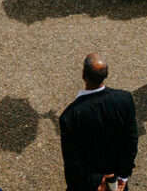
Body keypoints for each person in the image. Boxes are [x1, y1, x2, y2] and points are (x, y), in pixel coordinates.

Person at [59, 53, 138, 191]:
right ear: (106, 75)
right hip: (117, 182)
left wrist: (95, 182)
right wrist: (123, 176)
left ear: (83, 75)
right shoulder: (124, 99)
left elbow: (73, 162)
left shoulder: (70, 116)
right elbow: (131, 140)